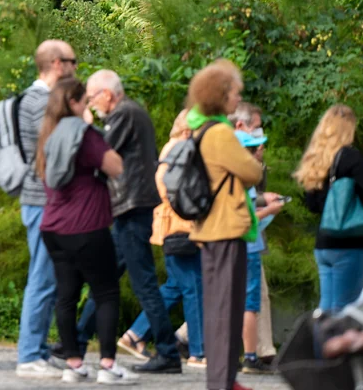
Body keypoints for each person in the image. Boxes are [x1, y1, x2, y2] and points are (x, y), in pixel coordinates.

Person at [74, 69, 182, 374]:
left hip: (132, 207)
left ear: (107, 94)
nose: (92, 104)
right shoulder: (132, 112)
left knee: (143, 282)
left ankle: (168, 352)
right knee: (106, 277)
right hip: (132, 207)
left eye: (92, 98)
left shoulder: (123, 114)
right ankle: (78, 341)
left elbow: (100, 152)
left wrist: (86, 126)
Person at [37, 78, 137, 385]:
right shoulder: (84, 134)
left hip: (53, 227)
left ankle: (73, 364)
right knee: (106, 292)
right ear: (74, 103)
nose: (88, 106)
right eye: (84, 101)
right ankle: (107, 365)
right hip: (87, 225)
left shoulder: (48, 134)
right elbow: (116, 166)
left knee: (66, 296)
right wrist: (93, 130)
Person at [186, 60, 264, 390]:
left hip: (213, 228)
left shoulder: (202, 128)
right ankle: (221, 382)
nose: (238, 98)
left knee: (225, 308)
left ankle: (226, 379)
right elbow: (252, 171)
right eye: (234, 92)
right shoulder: (220, 133)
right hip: (225, 230)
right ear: (220, 96)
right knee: (224, 310)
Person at [11, 40, 76, 379]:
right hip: (41, 200)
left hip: (43, 199)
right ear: (56, 64)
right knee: (42, 276)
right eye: (73, 61)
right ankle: (28, 356)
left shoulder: (39, 99)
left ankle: (36, 350)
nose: (76, 68)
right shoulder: (39, 101)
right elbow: (53, 150)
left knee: (51, 277)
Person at [124, 111, 206, 370]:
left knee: (176, 286)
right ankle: (198, 351)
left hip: (173, 224)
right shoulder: (180, 149)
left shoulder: (173, 149)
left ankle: (135, 334)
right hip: (179, 225)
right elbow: (169, 189)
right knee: (193, 288)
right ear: (188, 130)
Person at [294, 104, 363, 314]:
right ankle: (339, 338)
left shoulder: (316, 160)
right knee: (345, 309)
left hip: (324, 243)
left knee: (326, 307)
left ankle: (319, 337)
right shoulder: (352, 157)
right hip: (350, 242)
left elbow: (313, 205)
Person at [236, 130, 284, 375]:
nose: (258, 153)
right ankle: (250, 357)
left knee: (231, 301)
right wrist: (271, 210)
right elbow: (248, 217)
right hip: (249, 247)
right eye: (253, 149)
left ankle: (227, 353)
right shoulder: (245, 180)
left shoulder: (226, 177)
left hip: (231, 247)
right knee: (249, 305)